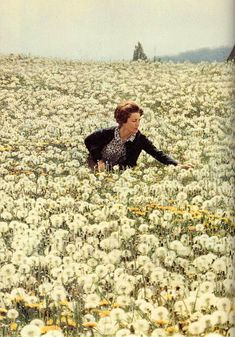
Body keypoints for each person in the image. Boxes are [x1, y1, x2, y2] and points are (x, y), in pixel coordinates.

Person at [84, 101, 193, 171]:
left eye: (139, 120)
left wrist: (177, 165)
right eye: (134, 121)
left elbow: (157, 153)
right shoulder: (108, 132)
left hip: (117, 174)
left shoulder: (139, 139)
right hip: (93, 167)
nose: (137, 124)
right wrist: (99, 160)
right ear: (123, 121)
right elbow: (88, 140)